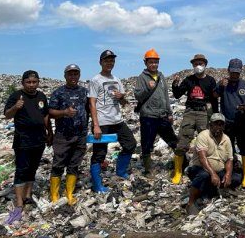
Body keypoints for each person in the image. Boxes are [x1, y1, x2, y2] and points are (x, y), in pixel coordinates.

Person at [3, 70, 52, 224]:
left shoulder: (41, 96)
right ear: (23, 83)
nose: (31, 85)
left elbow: (45, 115)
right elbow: (7, 115)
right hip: (23, 140)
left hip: (39, 139)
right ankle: (19, 202)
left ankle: (28, 196)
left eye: (34, 82)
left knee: (32, 168)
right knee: (21, 169)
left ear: (38, 82)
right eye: (28, 82)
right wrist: (16, 107)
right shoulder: (16, 96)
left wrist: (50, 132)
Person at [88, 50, 137, 191]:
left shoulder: (117, 80)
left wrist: (121, 97)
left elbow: (123, 103)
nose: (109, 63)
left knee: (130, 143)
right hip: (102, 122)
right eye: (106, 60)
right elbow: (92, 103)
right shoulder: (95, 80)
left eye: (111, 61)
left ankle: (120, 171)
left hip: (117, 120)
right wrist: (96, 125)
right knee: (99, 154)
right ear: (101, 62)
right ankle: (97, 186)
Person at [170, 54, 219, 184]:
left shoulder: (210, 80)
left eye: (201, 63)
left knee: (207, 141)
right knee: (182, 141)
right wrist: (175, 84)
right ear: (192, 65)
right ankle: (178, 172)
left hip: (204, 112)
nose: (198, 66)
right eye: (196, 64)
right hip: (190, 112)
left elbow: (214, 99)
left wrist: (215, 115)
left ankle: (209, 169)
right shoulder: (189, 80)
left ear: (205, 65)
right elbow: (177, 94)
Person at [48, 64, 89, 205]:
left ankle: (69, 193)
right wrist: (64, 112)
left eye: (75, 74)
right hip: (63, 135)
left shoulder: (85, 92)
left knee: (74, 164)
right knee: (58, 164)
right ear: (65, 76)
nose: (73, 76)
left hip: (80, 134)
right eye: (70, 74)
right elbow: (50, 112)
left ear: (79, 75)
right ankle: (54, 195)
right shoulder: (58, 92)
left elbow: (90, 109)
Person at [185, 113, 240, 215]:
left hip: (219, 171)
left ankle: (212, 191)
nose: (218, 127)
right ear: (210, 125)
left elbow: (229, 159)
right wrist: (213, 173)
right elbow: (202, 158)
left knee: (236, 178)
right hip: (200, 168)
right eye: (216, 124)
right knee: (204, 175)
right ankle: (190, 203)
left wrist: (228, 174)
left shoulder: (226, 139)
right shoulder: (203, 136)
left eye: (221, 124)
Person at [134, 49, 177, 177]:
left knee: (173, 140)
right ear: (145, 63)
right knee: (147, 143)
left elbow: (165, 96)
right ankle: (148, 170)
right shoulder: (142, 78)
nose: (154, 64)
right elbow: (138, 96)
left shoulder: (161, 76)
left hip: (162, 115)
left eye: (156, 62)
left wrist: (169, 113)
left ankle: (182, 163)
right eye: (151, 62)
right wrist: (148, 88)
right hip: (148, 116)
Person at [216, 58, 245, 188]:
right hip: (228, 123)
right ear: (228, 70)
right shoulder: (223, 84)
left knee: (244, 148)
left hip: (243, 122)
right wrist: (220, 85)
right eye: (233, 72)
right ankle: (229, 175)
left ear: (240, 71)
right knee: (229, 150)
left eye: (237, 72)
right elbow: (215, 95)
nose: (235, 75)